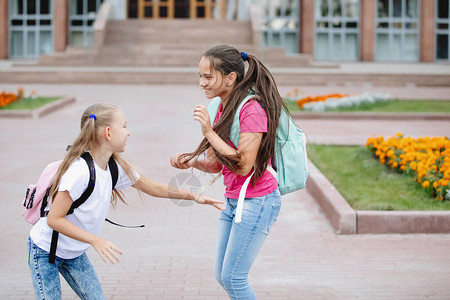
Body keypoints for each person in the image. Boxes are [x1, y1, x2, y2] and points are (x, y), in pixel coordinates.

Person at [28, 103, 224, 300]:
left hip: (74, 252)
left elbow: (153, 187)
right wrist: (95, 240)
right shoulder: (79, 172)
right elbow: (54, 219)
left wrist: (194, 196)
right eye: (124, 126)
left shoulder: (113, 167)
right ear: (108, 133)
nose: (128, 132)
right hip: (46, 251)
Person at [170, 44, 287, 299]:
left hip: (258, 200)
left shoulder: (252, 109)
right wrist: (191, 161)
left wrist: (209, 132)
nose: (202, 83)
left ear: (231, 77)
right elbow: (216, 164)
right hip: (235, 201)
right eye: (200, 76)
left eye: (208, 76)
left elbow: (244, 164)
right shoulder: (222, 106)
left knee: (234, 278)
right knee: (223, 276)